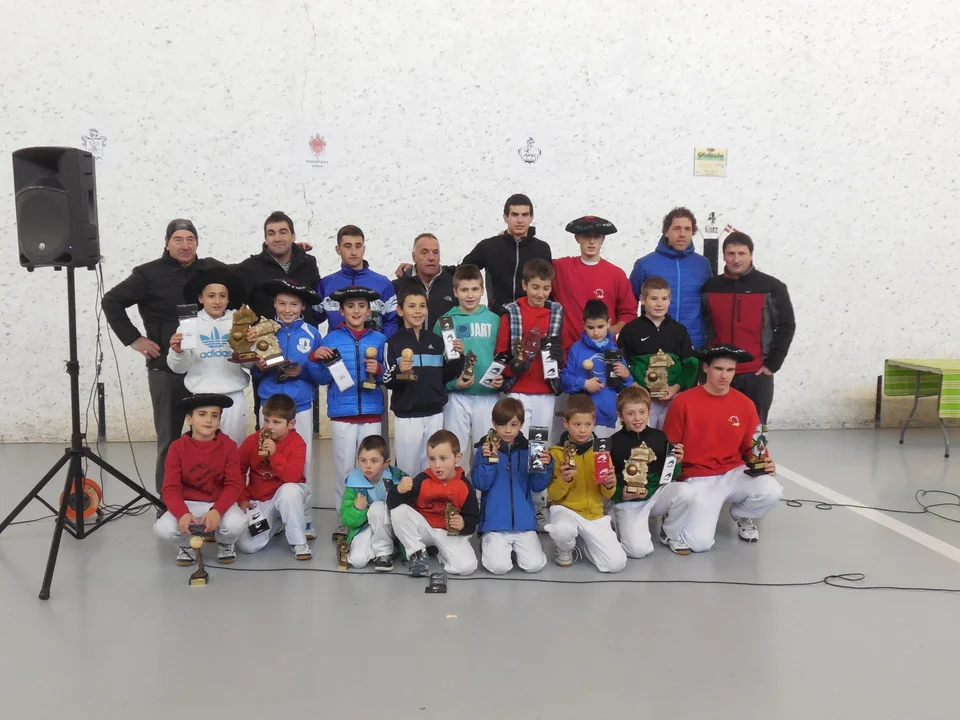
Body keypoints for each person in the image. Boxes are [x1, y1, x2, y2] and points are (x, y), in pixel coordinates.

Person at [102, 218, 226, 496]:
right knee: (169, 440)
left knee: (210, 438)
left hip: (206, 370)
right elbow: (111, 300)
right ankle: (167, 502)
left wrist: (292, 252)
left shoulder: (211, 269)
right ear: (167, 243)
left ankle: (209, 498)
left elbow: (247, 276)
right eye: (178, 239)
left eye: (190, 239)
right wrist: (134, 339)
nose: (185, 245)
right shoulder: (148, 274)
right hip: (166, 372)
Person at [662, 345, 783, 550]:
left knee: (771, 490)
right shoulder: (683, 402)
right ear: (706, 368)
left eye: (730, 370)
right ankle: (673, 518)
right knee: (699, 544)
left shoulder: (745, 404)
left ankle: (742, 514)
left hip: (733, 472)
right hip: (697, 477)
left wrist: (764, 461)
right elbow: (670, 447)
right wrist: (673, 487)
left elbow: (752, 446)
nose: (724, 376)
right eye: (719, 369)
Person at [310, 286, 386, 537]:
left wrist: (378, 371)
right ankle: (344, 518)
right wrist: (315, 359)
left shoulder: (379, 339)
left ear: (368, 310)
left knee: (373, 468)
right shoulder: (331, 339)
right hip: (342, 414)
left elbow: (388, 376)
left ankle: (374, 517)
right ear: (341, 311)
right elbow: (322, 378)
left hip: (372, 412)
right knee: (344, 469)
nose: (356, 311)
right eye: (350, 306)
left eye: (361, 306)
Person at [251, 279, 323, 537]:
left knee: (302, 462)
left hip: (300, 407)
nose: (287, 309)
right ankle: (271, 514)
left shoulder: (312, 334)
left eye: (293, 304)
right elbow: (252, 370)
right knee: (266, 460)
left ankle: (304, 517)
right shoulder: (261, 331)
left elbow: (320, 374)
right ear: (274, 304)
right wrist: (260, 368)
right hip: (269, 407)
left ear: (302, 306)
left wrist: (303, 371)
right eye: (282, 303)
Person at [701, 232, 796, 423]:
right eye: (731, 253)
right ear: (724, 256)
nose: (736, 259)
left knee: (754, 430)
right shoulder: (711, 287)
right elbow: (705, 325)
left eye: (742, 253)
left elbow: (786, 325)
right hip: (720, 372)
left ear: (751, 255)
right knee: (719, 427)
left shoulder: (772, 287)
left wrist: (772, 364)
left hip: (756, 373)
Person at [153, 393, 246, 566]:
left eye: (215, 416)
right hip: (188, 504)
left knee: (237, 523)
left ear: (219, 420)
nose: (209, 420)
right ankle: (186, 545)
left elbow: (234, 485)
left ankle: (225, 543)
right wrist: (182, 513)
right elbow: (170, 488)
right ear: (189, 419)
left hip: (217, 502)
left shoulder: (229, 445)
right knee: (163, 529)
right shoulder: (177, 447)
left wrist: (217, 510)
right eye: (202, 414)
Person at [383, 285, 464, 477]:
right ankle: (405, 497)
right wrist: (400, 371)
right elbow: (387, 379)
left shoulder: (437, 341)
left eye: (422, 306)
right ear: (400, 310)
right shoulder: (393, 343)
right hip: (407, 417)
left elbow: (446, 375)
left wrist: (458, 356)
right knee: (407, 470)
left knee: (434, 468)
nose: (418, 311)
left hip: (435, 414)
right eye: (411, 306)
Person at [543, 394, 626, 572]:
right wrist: (565, 480)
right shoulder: (555, 453)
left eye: (587, 424)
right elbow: (553, 495)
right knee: (562, 530)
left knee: (616, 564)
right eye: (577, 424)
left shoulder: (601, 453)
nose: (582, 430)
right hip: (566, 511)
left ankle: (584, 542)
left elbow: (608, 494)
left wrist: (610, 484)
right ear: (566, 423)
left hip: (594, 515)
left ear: (594, 422)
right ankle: (565, 547)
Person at [431, 265, 502, 472]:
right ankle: (455, 490)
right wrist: (453, 384)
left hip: (488, 395)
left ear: (482, 290)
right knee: (454, 451)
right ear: (455, 291)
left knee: (486, 451)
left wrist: (502, 379)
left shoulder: (494, 320)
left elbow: (502, 356)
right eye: (464, 290)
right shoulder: (445, 322)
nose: (470, 295)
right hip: (456, 397)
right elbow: (437, 364)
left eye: (474, 289)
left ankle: (482, 491)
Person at [167, 266, 250, 445]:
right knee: (203, 450)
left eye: (222, 296)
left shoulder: (240, 322)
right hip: (201, 397)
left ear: (228, 299)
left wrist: (249, 348)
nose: (217, 301)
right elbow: (179, 368)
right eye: (211, 296)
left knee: (234, 448)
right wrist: (177, 351)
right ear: (200, 298)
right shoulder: (189, 324)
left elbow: (250, 364)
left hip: (233, 397)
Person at [610, 385, 694, 557]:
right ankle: (618, 524)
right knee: (637, 551)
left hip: (655, 495)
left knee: (687, 491)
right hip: (629, 501)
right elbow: (607, 483)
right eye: (630, 413)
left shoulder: (659, 436)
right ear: (620, 416)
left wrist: (676, 462)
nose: (637, 418)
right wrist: (621, 494)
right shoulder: (613, 443)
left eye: (642, 412)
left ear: (649, 411)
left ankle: (670, 533)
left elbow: (670, 476)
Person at [471, 397, 552, 575]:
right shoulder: (484, 449)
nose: (508, 430)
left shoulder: (531, 449)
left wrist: (546, 466)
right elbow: (480, 484)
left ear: (521, 424)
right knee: (498, 568)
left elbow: (537, 486)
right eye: (502, 424)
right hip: (494, 523)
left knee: (534, 565)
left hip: (524, 522)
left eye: (513, 424)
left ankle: (516, 548)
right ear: (493, 423)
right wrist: (486, 461)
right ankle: (491, 543)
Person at [387, 430, 480, 577]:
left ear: (457, 458)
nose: (437, 465)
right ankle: (418, 553)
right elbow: (392, 504)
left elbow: (473, 518)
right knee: (399, 511)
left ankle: (438, 551)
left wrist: (463, 523)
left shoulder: (465, 486)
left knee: (466, 567)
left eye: (443, 459)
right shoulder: (422, 479)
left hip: (448, 533)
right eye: (432, 459)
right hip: (424, 529)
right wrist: (399, 490)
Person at [235, 394, 311, 559]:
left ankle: (299, 542)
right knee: (247, 546)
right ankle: (277, 523)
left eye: (276, 422)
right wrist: (242, 498)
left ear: (291, 424)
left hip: (286, 494)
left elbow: (293, 477)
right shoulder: (252, 441)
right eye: (267, 420)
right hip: (260, 500)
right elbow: (237, 470)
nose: (269, 426)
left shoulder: (297, 443)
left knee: (289, 491)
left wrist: (274, 455)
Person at [618, 276, 698, 429]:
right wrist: (636, 387)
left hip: (672, 398)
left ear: (670, 300)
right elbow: (621, 364)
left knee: (669, 435)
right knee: (645, 436)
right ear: (642, 300)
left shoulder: (679, 330)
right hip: (641, 401)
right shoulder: (630, 330)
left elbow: (690, 364)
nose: (660, 304)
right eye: (654, 299)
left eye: (664, 298)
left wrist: (676, 388)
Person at [629, 207, 712, 349]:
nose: (682, 234)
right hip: (653, 343)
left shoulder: (703, 265)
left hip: (694, 343)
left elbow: (709, 305)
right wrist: (634, 335)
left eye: (687, 229)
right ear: (666, 231)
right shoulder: (645, 264)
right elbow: (629, 304)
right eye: (677, 228)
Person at [552, 216, 638, 350]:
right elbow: (533, 266)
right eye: (586, 236)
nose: (591, 241)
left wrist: (613, 330)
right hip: (568, 350)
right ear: (577, 238)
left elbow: (629, 312)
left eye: (596, 236)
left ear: (603, 239)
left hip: (604, 351)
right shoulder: (560, 268)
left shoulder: (616, 275)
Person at [460, 193, 553, 315]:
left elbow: (548, 282)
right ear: (505, 217)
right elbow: (462, 272)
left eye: (525, 215)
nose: (520, 220)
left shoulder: (542, 248)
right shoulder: (489, 247)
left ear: (531, 218)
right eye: (514, 215)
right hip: (498, 316)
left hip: (531, 317)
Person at [561, 299, 634, 438]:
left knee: (604, 452)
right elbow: (564, 380)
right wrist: (584, 384)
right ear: (583, 325)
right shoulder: (576, 349)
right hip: (581, 420)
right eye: (590, 327)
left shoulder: (614, 350)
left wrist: (626, 376)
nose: (596, 332)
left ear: (609, 323)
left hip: (608, 417)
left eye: (600, 327)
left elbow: (622, 389)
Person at [234, 211, 321, 325]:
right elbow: (234, 306)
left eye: (283, 232)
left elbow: (317, 302)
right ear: (265, 239)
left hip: (305, 335)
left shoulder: (308, 263)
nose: (277, 238)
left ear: (293, 236)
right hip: (266, 336)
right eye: (271, 234)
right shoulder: (250, 268)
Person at [341, 435, 410, 571]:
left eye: (374, 461)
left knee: (377, 508)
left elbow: (409, 509)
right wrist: (357, 510)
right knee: (357, 561)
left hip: (392, 526)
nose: (368, 466)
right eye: (363, 460)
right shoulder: (354, 482)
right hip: (366, 526)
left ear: (386, 463)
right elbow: (346, 519)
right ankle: (383, 548)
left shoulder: (397, 479)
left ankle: (383, 552)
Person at [315, 224, 398, 336]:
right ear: (338, 249)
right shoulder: (326, 285)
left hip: (374, 347)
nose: (354, 252)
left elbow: (392, 321)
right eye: (348, 246)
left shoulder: (383, 283)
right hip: (337, 346)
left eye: (358, 246)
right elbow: (311, 320)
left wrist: (381, 343)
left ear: (364, 249)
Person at [392, 233, 456, 329]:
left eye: (435, 252)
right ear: (414, 256)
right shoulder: (397, 286)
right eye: (424, 252)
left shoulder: (454, 285)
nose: (431, 258)